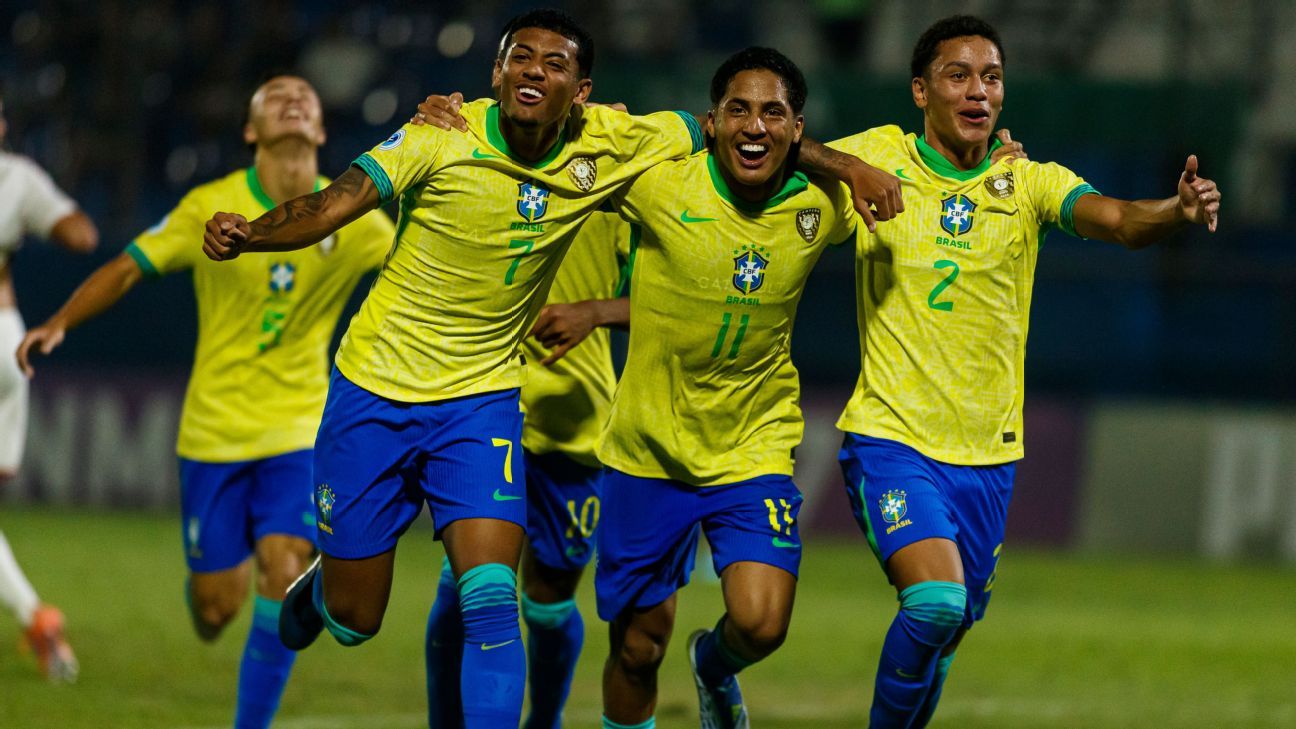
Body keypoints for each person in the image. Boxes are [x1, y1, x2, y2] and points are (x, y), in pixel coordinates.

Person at [827, 15, 1221, 728]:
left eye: (992, 76)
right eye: (959, 75)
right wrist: (846, 168)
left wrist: (1178, 209)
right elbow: (786, 145)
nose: (979, 90)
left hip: (988, 455)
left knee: (948, 628)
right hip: (890, 437)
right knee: (936, 603)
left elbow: (1123, 220)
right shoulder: (880, 155)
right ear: (920, 90)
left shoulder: (1028, 181)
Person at [16, 74, 395, 728]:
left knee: (282, 570)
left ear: (323, 129)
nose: (294, 99)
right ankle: (211, 596)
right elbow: (130, 264)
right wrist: (61, 321)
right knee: (219, 607)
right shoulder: (210, 206)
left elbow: (427, 266)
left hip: (299, 429)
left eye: (306, 95)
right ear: (250, 131)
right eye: (274, 95)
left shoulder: (356, 219)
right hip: (212, 434)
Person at [590, 47, 858, 729]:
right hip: (649, 448)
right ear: (710, 123)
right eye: (738, 109)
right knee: (638, 648)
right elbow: (563, 141)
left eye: (774, 112)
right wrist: (455, 117)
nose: (754, 126)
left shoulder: (822, 204)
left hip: (752, 447)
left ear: (799, 131)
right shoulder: (660, 184)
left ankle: (713, 663)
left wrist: (996, 158)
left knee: (763, 623)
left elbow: (927, 192)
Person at [423, 211, 631, 729]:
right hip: (485, 405)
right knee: (471, 585)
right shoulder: (489, 158)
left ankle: (544, 720)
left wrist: (595, 312)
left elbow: (683, 301)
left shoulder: (620, 178)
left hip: (570, 429)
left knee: (548, 600)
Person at [0, 91, 98, 683]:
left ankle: (36, 616)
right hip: (6, 342)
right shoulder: (16, 176)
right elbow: (82, 236)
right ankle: (36, 619)